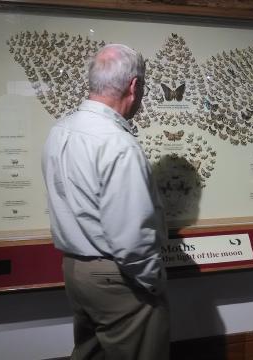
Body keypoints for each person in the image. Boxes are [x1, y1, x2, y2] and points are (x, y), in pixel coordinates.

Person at [42, 43, 169, 360]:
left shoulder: (60, 130)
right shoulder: (118, 144)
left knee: (91, 352)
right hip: (119, 277)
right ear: (134, 86)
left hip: (75, 270)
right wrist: (151, 281)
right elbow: (132, 236)